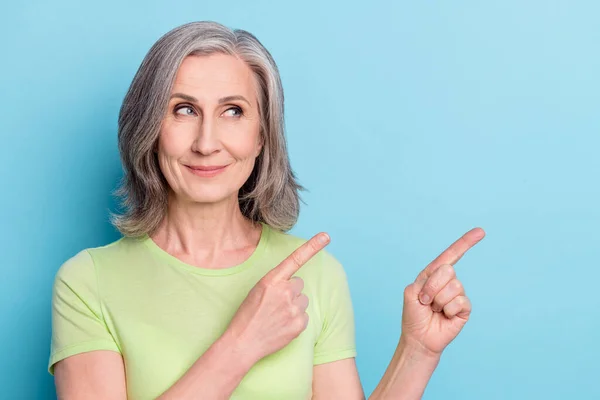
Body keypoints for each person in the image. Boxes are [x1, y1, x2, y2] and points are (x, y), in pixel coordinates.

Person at [48, 21, 485, 399]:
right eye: (183, 110)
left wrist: (417, 351)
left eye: (233, 112)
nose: (206, 142)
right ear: (148, 129)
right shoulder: (89, 282)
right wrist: (242, 343)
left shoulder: (316, 274)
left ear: (261, 137)